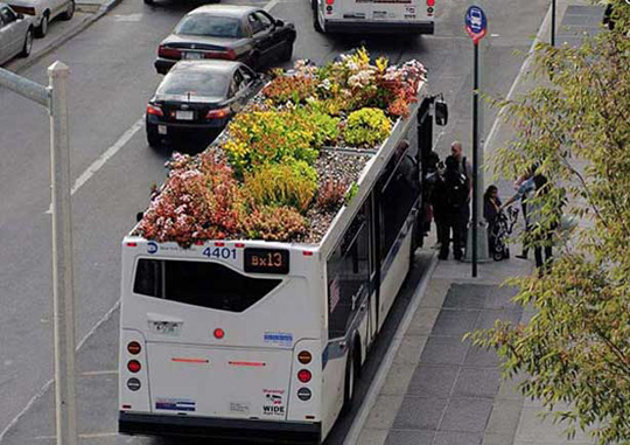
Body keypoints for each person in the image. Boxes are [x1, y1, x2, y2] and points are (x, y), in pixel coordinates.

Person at [435, 156, 469, 260]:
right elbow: (465, 191)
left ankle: (444, 253)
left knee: (445, 232)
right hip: (456, 209)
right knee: (456, 233)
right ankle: (457, 252)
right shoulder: (460, 178)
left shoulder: (442, 178)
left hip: (444, 210)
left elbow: (436, 194)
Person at [502, 169, 536, 259]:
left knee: (529, 228)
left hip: (531, 208)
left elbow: (517, 196)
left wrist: (504, 205)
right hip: (540, 209)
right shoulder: (541, 180)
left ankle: (525, 252)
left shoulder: (527, 184)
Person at [450, 141, 472, 245]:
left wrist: (469, 193)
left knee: (463, 218)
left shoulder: (465, 162)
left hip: (463, 195)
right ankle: (457, 239)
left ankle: (464, 238)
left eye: (455, 150)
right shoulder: (451, 162)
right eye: (452, 150)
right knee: (455, 220)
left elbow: (470, 179)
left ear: (460, 150)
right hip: (454, 196)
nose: (453, 153)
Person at [483, 185, 501, 255]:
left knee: (494, 234)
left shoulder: (496, 200)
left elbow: (499, 208)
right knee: (489, 234)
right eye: (493, 193)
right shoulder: (486, 200)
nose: (495, 194)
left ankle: (492, 247)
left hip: (495, 219)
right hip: (489, 219)